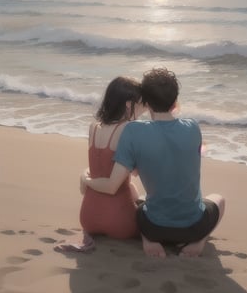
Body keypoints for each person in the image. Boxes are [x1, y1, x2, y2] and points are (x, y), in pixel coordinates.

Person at [81, 68, 225, 258]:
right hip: (193, 227)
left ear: (147, 103)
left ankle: (149, 240)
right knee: (219, 199)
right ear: (175, 102)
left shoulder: (133, 132)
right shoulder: (193, 127)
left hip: (152, 227)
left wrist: (86, 178)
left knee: (141, 204)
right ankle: (198, 241)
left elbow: (127, 174)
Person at [79, 76, 144, 240]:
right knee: (142, 201)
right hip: (119, 222)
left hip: (88, 218)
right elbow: (134, 173)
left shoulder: (93, 127)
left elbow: (98, 170)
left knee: (131, 186)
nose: (143, 108)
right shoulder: (129, 129)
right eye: (141, 103)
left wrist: (86, 178)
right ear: (129, 105)